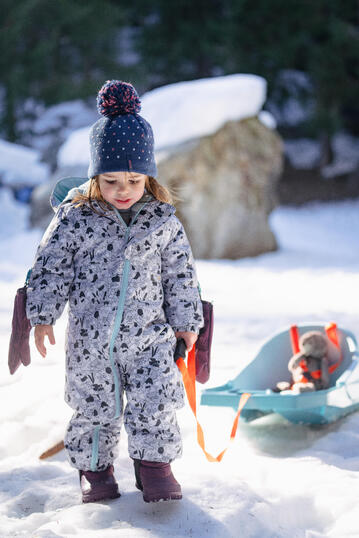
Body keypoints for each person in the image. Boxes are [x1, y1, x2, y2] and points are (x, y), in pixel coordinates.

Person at [26, 80, 204, 504]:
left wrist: (187, 323)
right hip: (91, 339)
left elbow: (181, 274)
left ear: (149, 177)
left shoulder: (162, 221)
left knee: (157, 398)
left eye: (134, 180)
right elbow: (51, 266)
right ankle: (95, 469)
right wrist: (43, 315)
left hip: (150, 335)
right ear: (93, 177)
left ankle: (155, 466)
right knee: (92, 407)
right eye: (110, 181)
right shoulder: (76, 218)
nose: (123, 190)